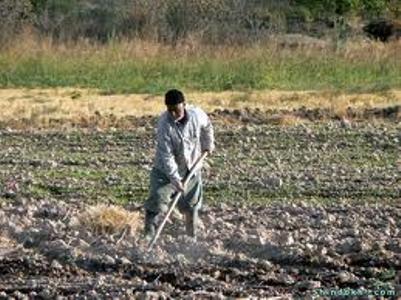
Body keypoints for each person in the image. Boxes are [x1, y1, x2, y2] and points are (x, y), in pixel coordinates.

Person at [144, 89, 215, 241]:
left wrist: (208, 144)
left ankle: (191, 238)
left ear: (184, 104)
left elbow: (207, 126)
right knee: (157, 200)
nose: (173, 114)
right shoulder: (164, 124)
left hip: (191, 168)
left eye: (176, 110)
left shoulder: (197, 115)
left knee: (192, 205)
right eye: (170, 110)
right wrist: (175, 179)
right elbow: (166, 155)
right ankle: (148, 237)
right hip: (165, 172)